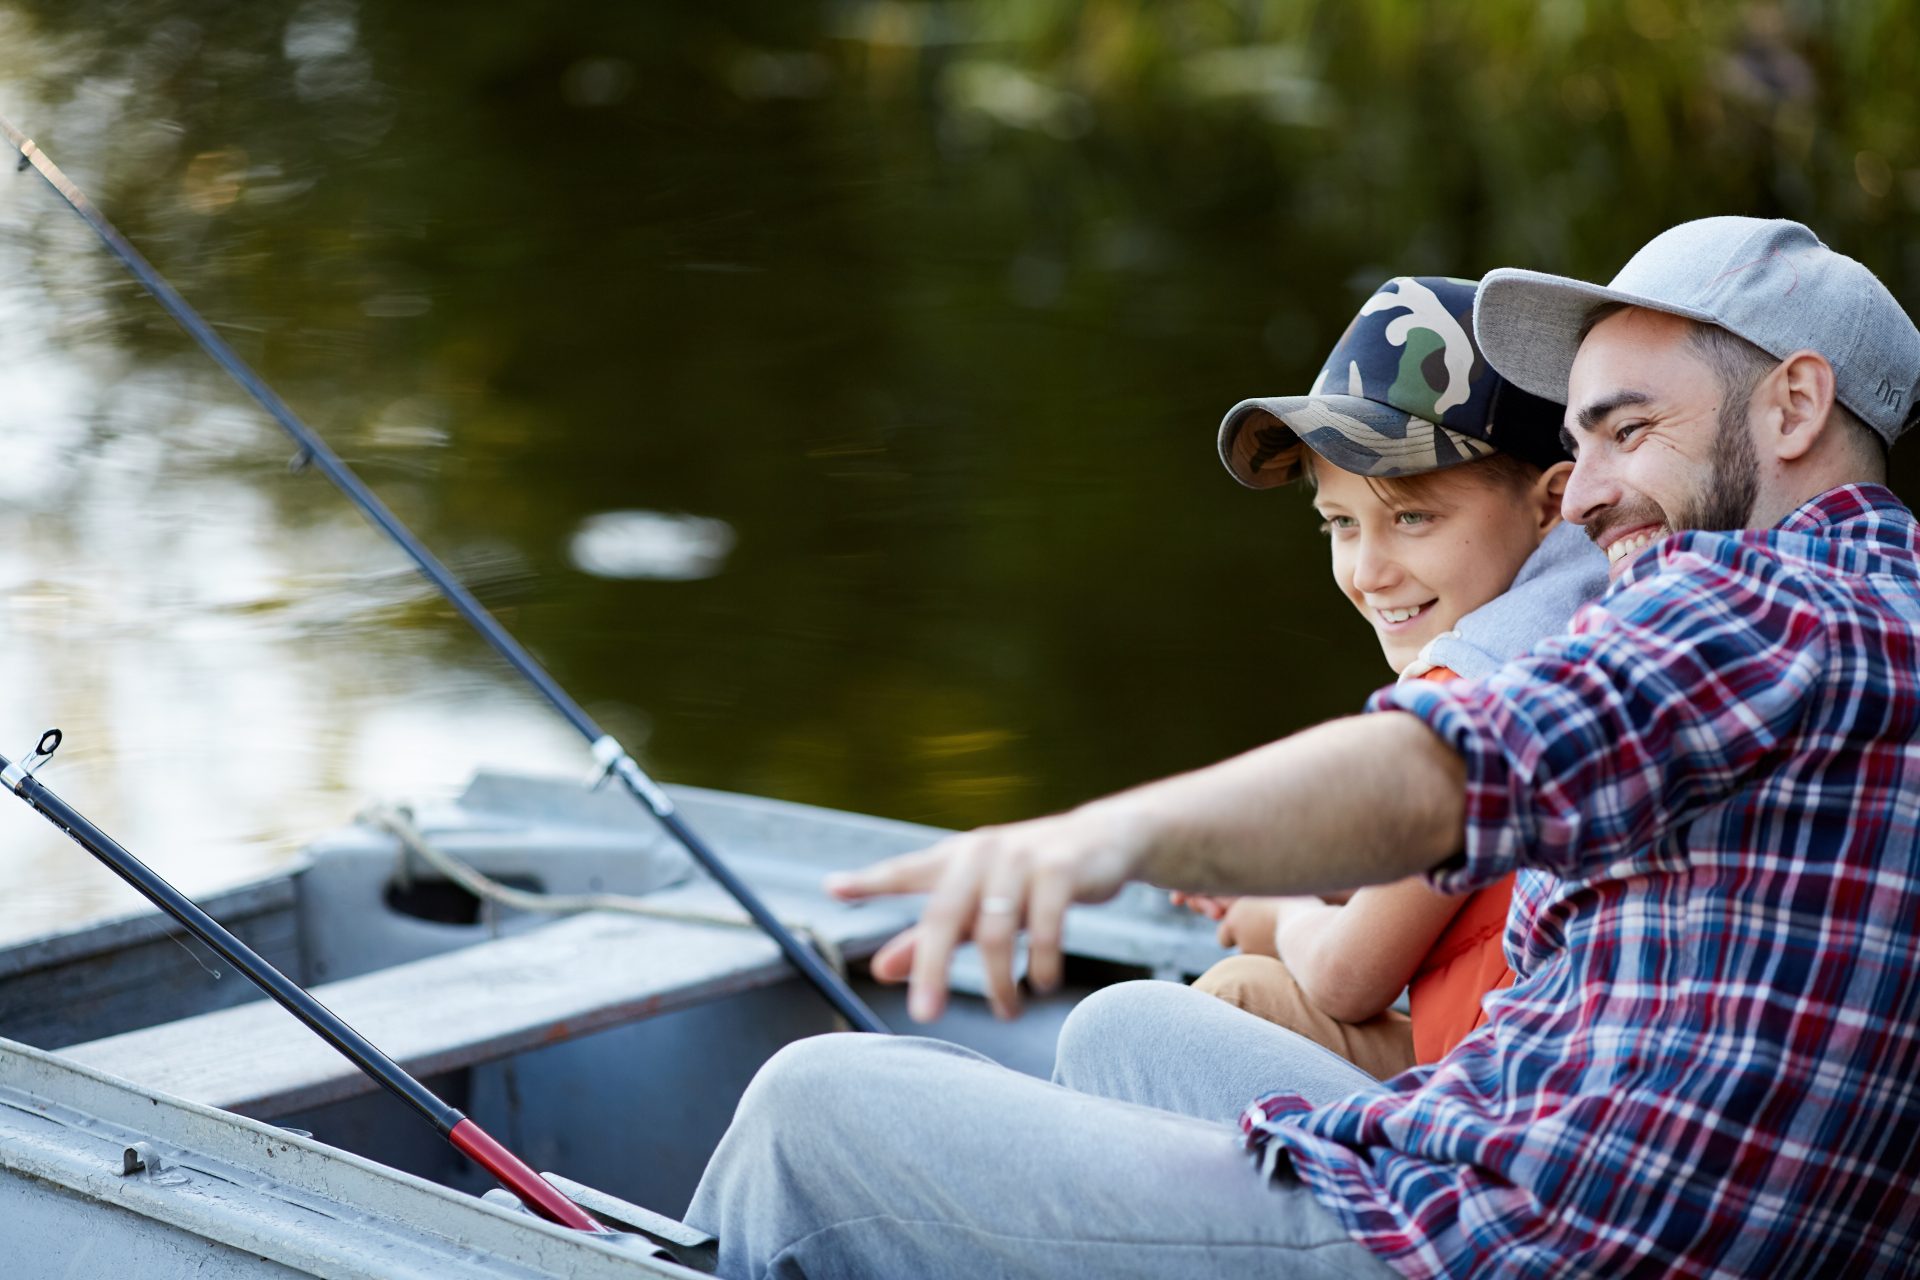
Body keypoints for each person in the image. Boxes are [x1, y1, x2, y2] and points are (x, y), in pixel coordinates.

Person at [687, 217, 1920, 1278]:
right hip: (1544, 1163)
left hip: (1515, 1239)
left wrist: (1105, 831)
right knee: (1130, 1036)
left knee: (814, 1113)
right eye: (1579, 440)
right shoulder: (1869, 617)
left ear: (1795, 406)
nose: (1582, 492)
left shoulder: (1765, 608)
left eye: (1627, 430)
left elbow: (1442, 770)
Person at [1177, 275, 1606, 1079]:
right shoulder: (1625, 616)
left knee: (1237, 992)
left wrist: (1279, 916)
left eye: (1411, 517)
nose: (1367, 572)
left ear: (1552, 504)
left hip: (1505, 1097)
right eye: (1340, 524)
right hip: (1549, 1062)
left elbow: (1347, 981)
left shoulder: (1475, 699)